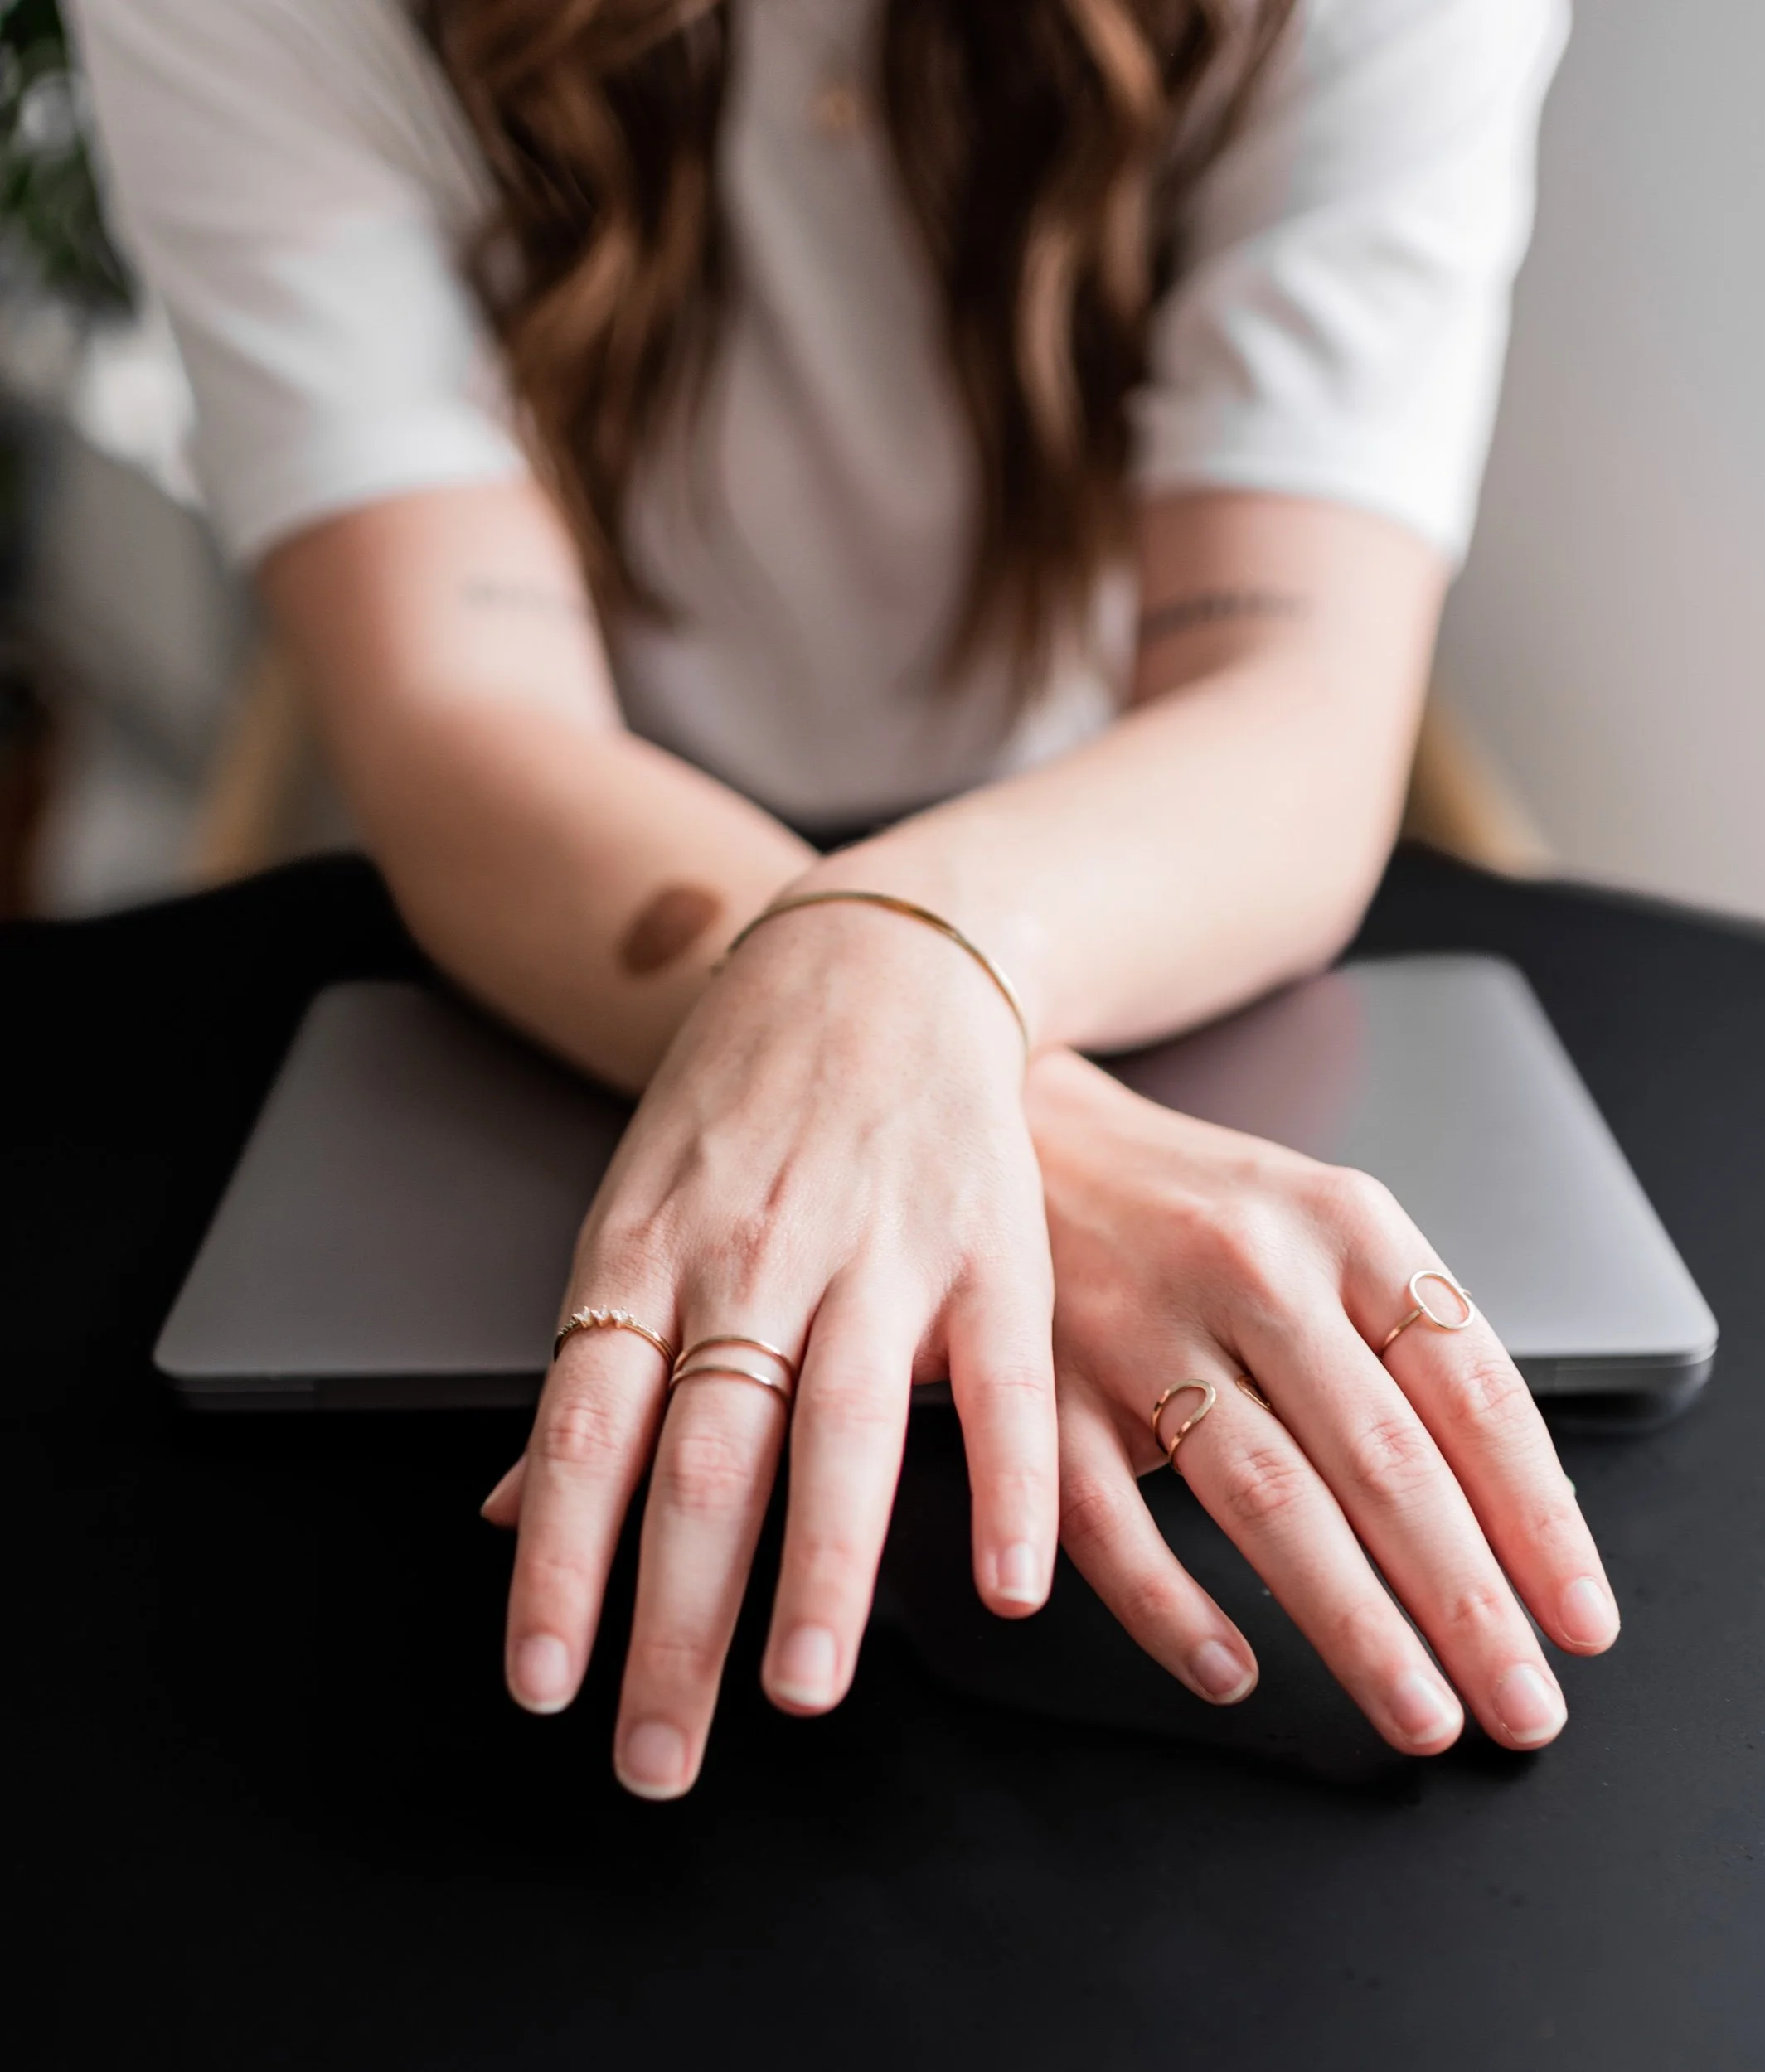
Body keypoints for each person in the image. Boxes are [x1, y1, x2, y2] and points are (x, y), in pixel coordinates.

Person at [74, 0, 1617, 1802]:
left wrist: (894, 973)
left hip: (1120, 877)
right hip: (561, 892)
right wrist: (925, 1036)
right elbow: (460, 715)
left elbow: (1287, 700)